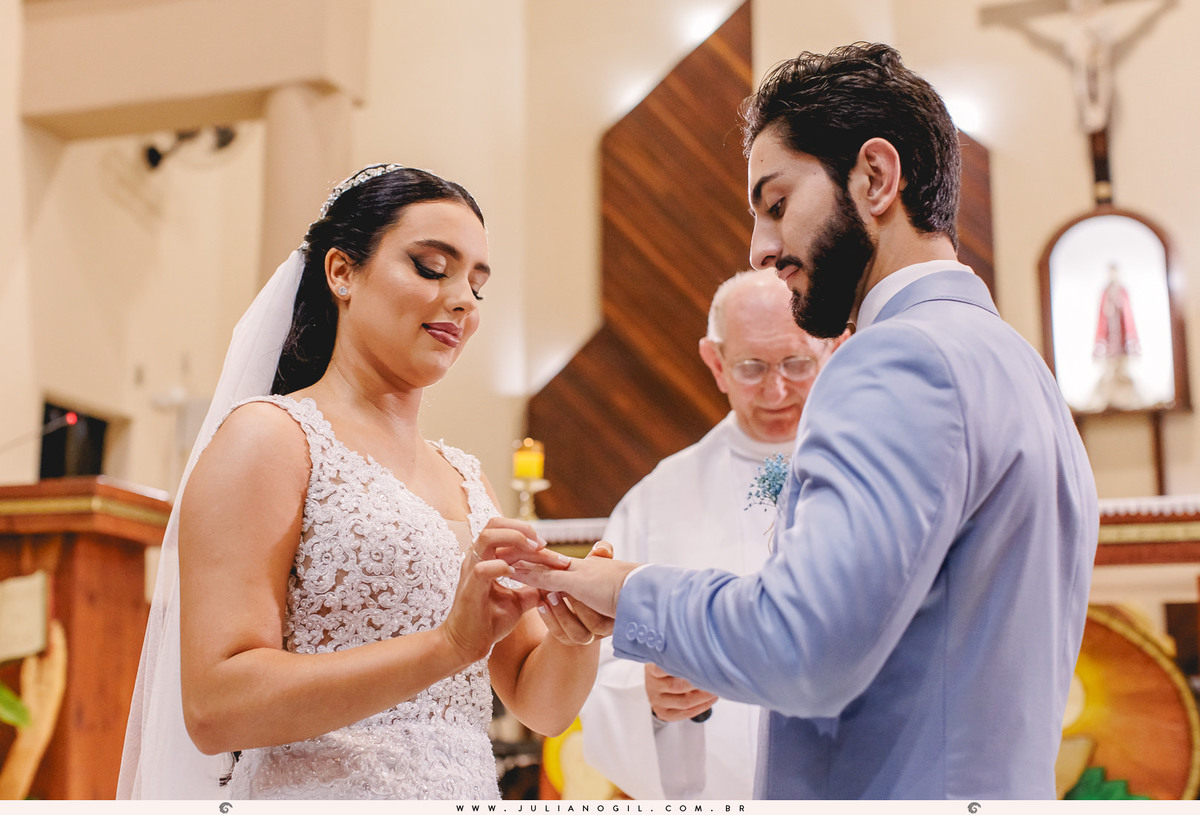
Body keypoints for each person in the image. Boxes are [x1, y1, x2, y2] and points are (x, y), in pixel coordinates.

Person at [514, 43, 1099, 800]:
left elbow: (804, 648)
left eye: (778, 203)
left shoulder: (897, 361)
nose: (761, 249)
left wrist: (626, 588)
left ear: (876, 177)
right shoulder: (1019, 365)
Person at [118, 164, 600, 800]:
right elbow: (216, 705)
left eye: (476, 286)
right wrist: (448, 645)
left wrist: (576, 631)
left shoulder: (465, 476)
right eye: (432, 266)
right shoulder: (271, 438)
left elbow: (542, 707)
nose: (461, 300)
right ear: (342, 272)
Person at [579, 269, 840, 799]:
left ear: (833, 349)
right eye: (751, 367)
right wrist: (646, 697)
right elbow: (593, 658)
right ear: (715, 362)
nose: (777, 389)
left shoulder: (874, 472)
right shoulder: (658, 499)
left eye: (797, 362)